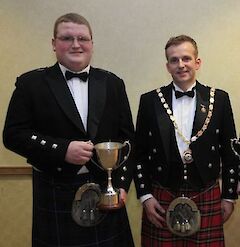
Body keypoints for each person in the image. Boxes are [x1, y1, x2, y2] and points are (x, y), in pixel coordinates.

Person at [3, 13, 135, 247]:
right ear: (54, 44)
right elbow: (13, 135)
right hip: (54, 190)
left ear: (92, 44)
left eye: (82, 38)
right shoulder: (31, 84)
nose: (76, 44)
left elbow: (126, 140)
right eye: (67, 38)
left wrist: (122, 186)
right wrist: (62, 149)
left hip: (106, 189)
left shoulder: (112, 83)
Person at [134, 34, 238, 246]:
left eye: (186, 58)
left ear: (197, 62)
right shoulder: (150, 101)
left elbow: (230, 152)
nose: (180, 65)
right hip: (162, 193)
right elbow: (139, 153)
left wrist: (228, 195)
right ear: (167, 66)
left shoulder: (219, 99)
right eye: (174, 60)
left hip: (206, 192)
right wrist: (145, 195)